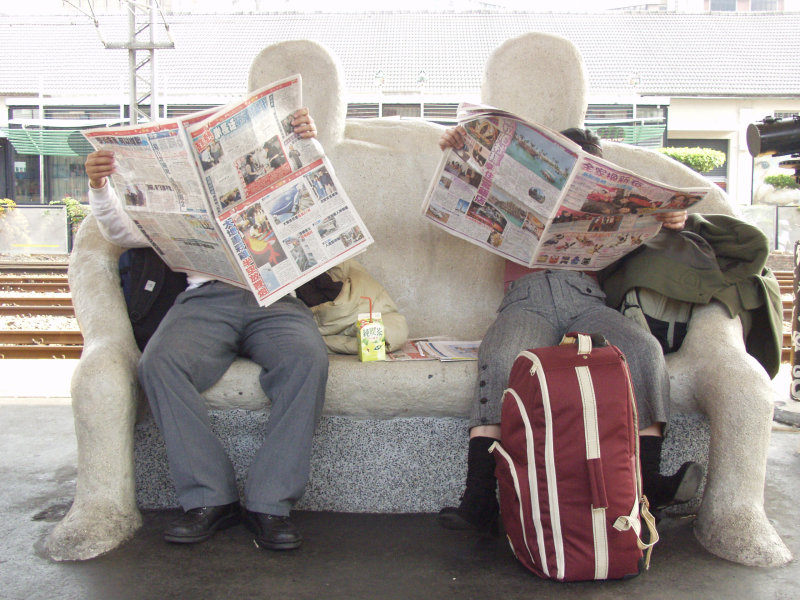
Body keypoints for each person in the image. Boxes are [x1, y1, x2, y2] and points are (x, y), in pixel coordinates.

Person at [436, 125, 703, 532]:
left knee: (643, 351)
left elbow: (653, 229)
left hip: (585, 298)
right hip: (526, 298)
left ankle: (646, 484)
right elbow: (463, 194)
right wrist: (458, 150)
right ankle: (478, 495)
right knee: (502, 356)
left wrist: (672, 218)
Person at [83, 108, 327, 551]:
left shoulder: (276, 172)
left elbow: (320, 203)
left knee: (307, 358)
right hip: (205, 297)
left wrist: (309, 144)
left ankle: (270, 503)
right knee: (159, 363)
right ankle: (210, 498)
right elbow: (120, 229)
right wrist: (100, 186)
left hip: (276, 295)